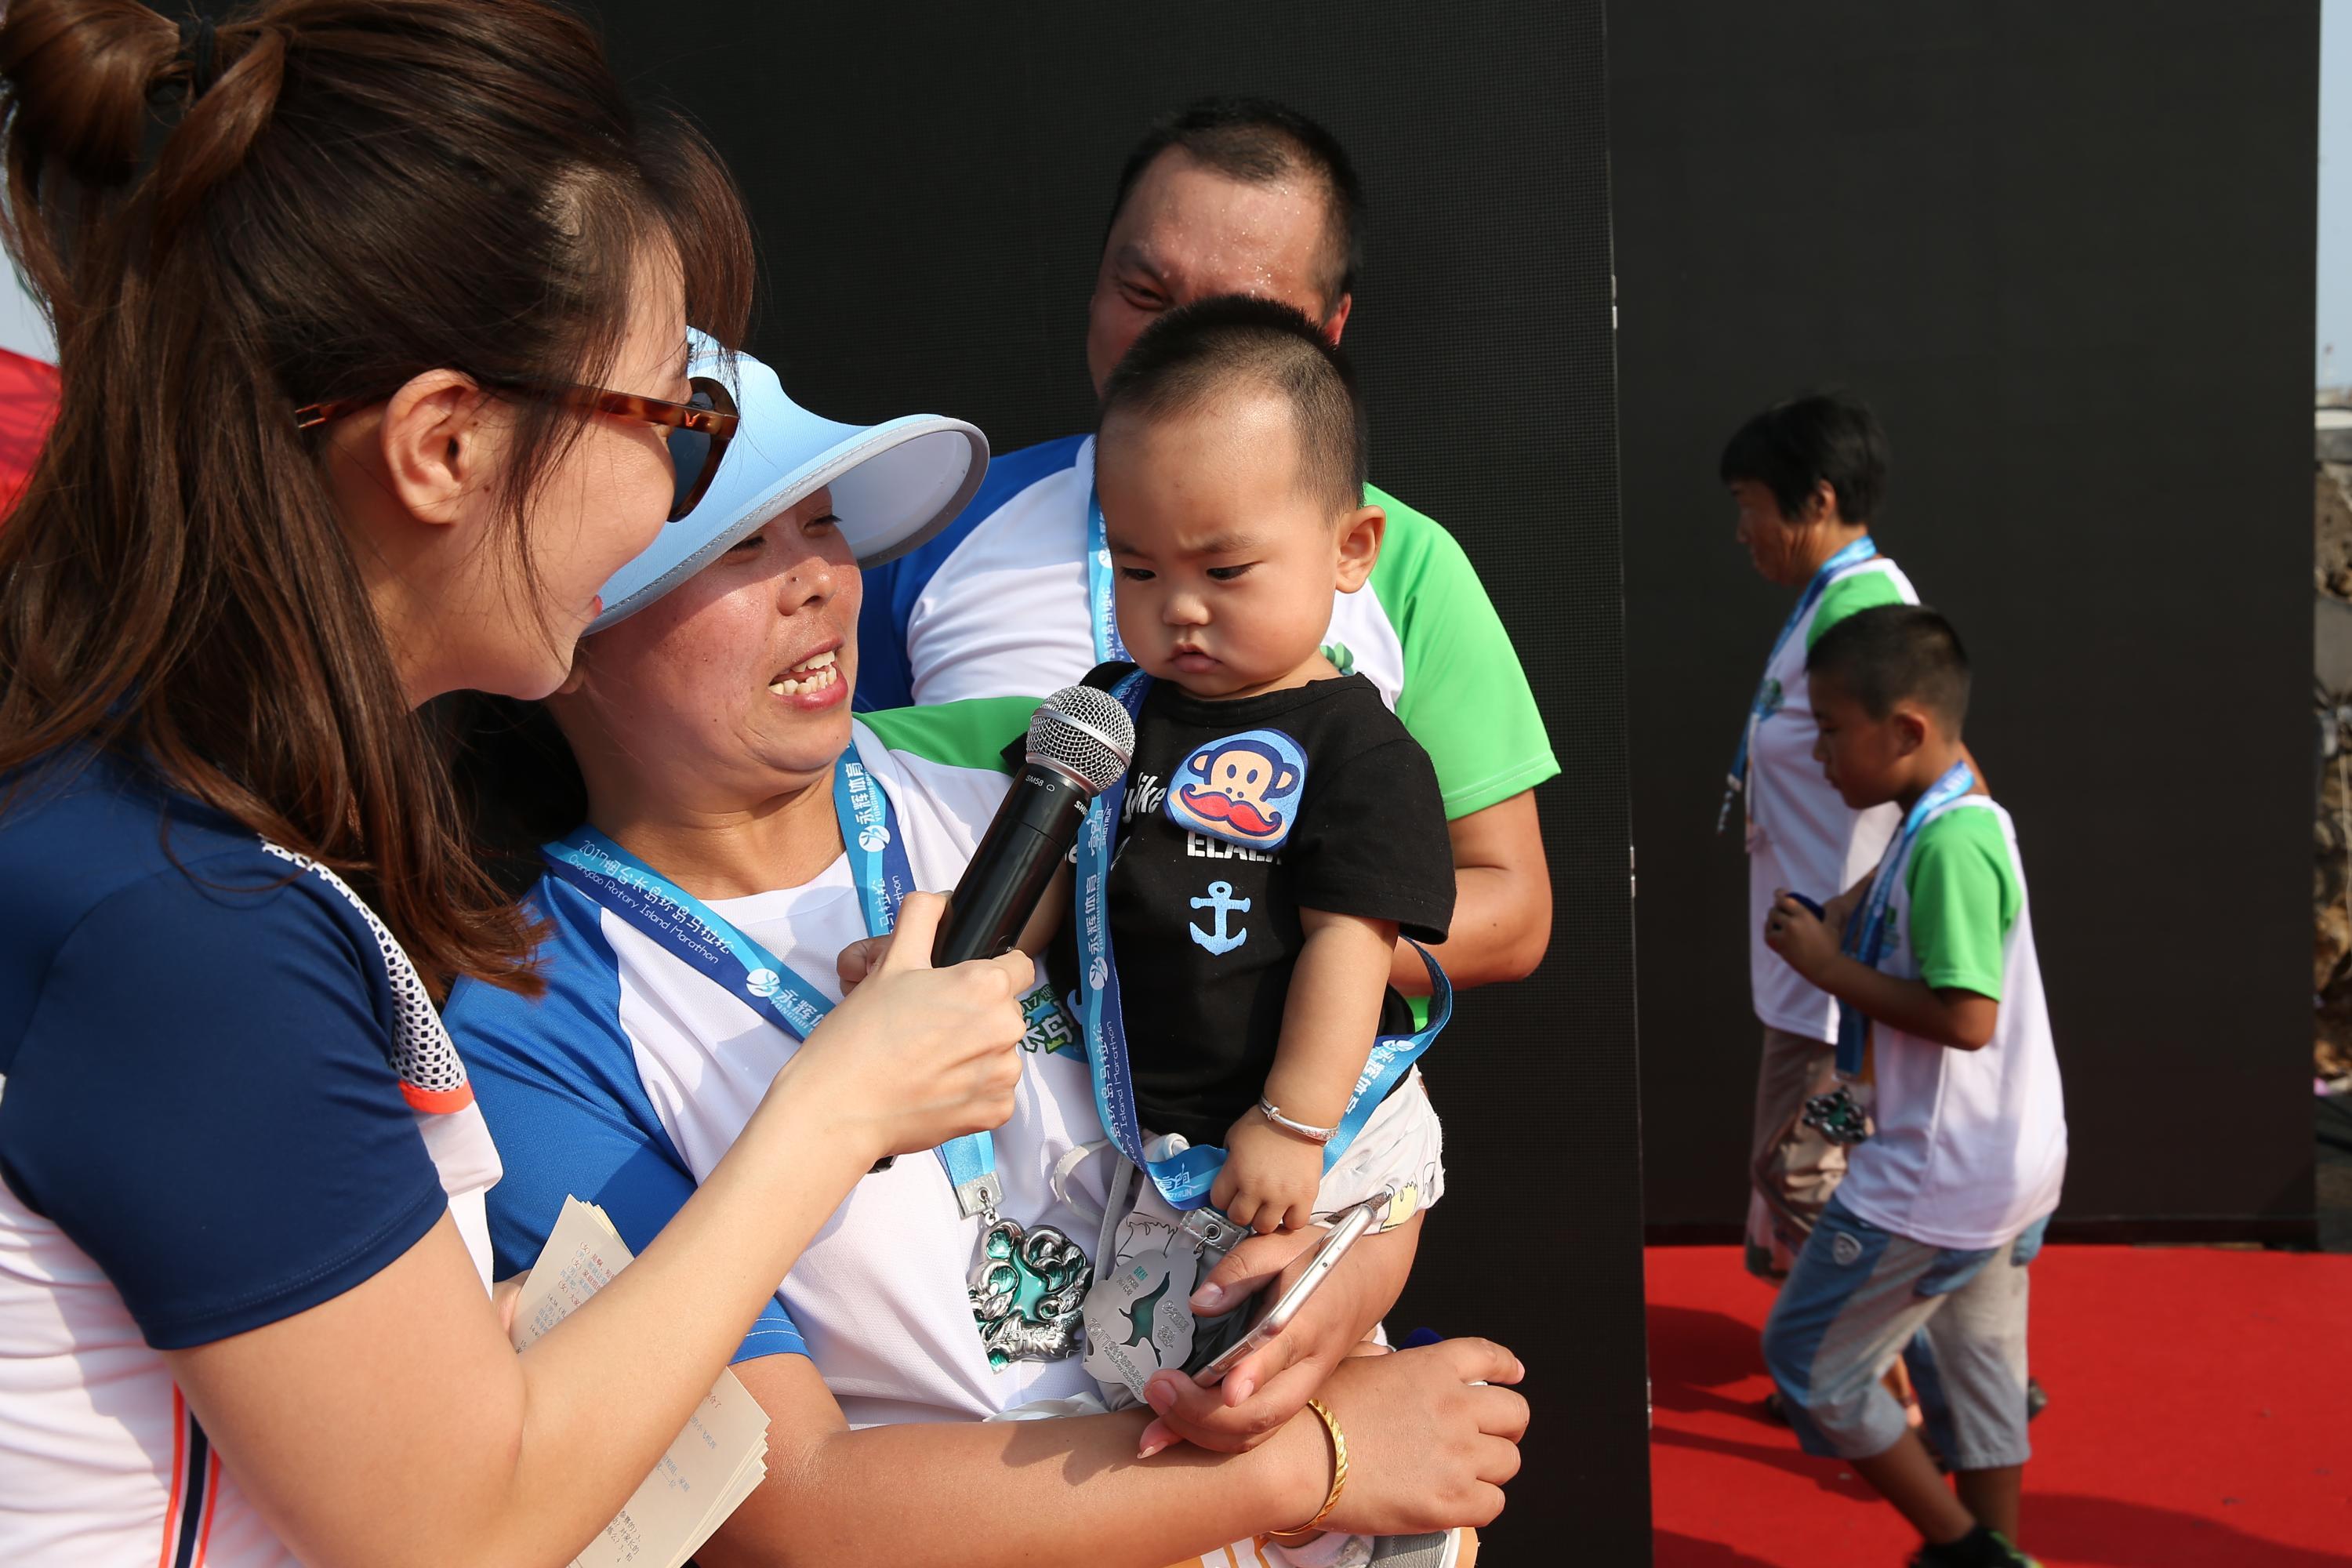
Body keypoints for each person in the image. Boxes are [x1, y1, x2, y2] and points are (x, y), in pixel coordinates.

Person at [0, 5, 1029, 1566]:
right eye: (673, 426)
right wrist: (835, 1107)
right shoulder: (180, 920)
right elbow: (459, 1526)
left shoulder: (151, 822)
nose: (679, 497)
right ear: (445, 447)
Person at [446, 343, 1529, 1568]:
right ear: (566, 624)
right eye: (741, 548)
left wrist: (1333, 1301)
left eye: (824, 525)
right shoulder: (529, 1023)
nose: (817, 580)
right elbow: (786, 1504)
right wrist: (1308, 1464)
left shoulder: (1059, 783)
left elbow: (1362, 1121)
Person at [858, 96, 1555, 1007]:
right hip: (970, 1129)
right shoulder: (931, 522)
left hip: (1289, 1142)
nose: (1173, 343)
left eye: (1238, 316)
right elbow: (816, 809)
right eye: (1144, 294)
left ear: (1330, 330)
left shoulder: (1409, 563)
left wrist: (1247, 939)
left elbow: (1512, 907)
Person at [1061, 296, 1453, 1250]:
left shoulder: (1359, 749)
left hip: (1303, 1143)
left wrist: (1293, 1119)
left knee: (1278, 1349)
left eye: (1225, 570)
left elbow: (1350, 946)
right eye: (1139, 569)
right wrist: (964, 954)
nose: (1179, 609)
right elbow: (1051, 870)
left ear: (1350, 549)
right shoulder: (1117, 702)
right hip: (1142, 1132)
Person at [1759, 606, 2065, 1568]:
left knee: (1808, 1362)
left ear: (1906, 731)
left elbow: (1966, 1018)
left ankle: (1965, 1549)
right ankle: (1998, 1549)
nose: (1817, 756)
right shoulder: (1944, 811)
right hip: (1997, 1168)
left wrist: (1824, 966)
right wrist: (1841, 923)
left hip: (1937, 1179)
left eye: (1832, 731)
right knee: (1982, 1393)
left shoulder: (1949, 842)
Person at [1718, 390, 1922, 1281]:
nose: (1742, 530)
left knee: (1812, 1176)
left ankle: (1883, 1377)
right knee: (1800, 1175)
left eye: (1748, 505)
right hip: (1809, 964)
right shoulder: (1832, 599)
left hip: (1835, 981)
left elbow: (1940, 769)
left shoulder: (1862, 608)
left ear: (1819, 499)